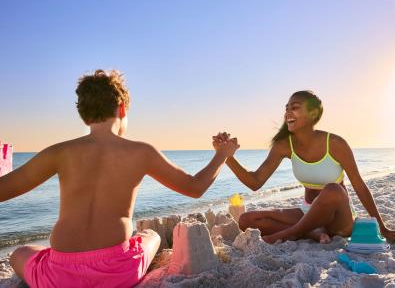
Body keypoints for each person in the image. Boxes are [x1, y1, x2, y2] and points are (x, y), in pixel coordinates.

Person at [0, 69, 239, 287]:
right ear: (122, 108)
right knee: (151, 235)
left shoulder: (58, 152)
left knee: (19, 253)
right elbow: (195, 188)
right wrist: (222, 155)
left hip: (60, 276)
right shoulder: (141, 152)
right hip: (118, 273)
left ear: (83, 116)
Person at [213, 90, 395, 245]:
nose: (287, 112)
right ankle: (311, 231)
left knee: (333, 189)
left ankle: (291, 233)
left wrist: (383, 228)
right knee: (247, 219)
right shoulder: (284, 145)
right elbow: (255, 182)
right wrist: (226, 156)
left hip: (339, 219)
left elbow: (359, 185)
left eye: (295, 107)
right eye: (286, 108)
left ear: (313, 113)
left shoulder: (335, 143)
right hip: (307, 211)